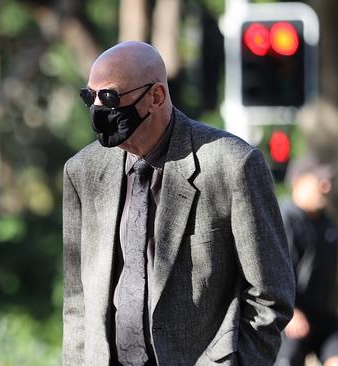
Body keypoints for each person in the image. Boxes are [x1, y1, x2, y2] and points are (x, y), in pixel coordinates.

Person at [62, 41, 295, 365]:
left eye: (111, 97)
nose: (99, 108)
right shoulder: (82, 171)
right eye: (91, 96)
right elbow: (77, 298)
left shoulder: (232, 164)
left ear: (156, 97)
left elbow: (270, 295)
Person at [275, 156, 338, 366]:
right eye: (319, 180)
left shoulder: (326, 223)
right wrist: (289, 312)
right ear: (298, 182)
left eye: (328, 181)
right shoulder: (282, 220)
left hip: (325, 318)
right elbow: (270, 275)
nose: (327, 186)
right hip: (289, 318)